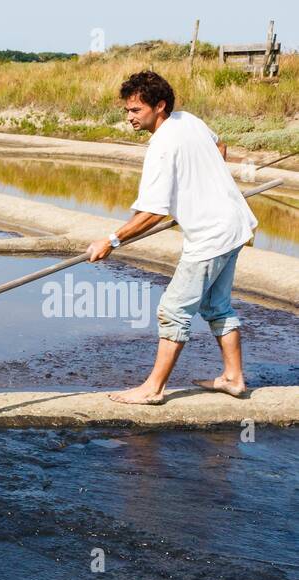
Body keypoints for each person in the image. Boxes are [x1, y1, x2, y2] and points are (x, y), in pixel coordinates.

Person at [86, 70, 258, 405]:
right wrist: (201, 185)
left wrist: (111, 240)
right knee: (216, 305)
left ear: (159, 106)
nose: (129, 117)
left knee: (173, 310)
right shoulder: (188, 120)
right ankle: (233, 378)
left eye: (135, 110)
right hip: (235, 225)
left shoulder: (162, 146)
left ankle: (153, 389)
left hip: (211, 236)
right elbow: (219, 146)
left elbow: (152, 212)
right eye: (127, 111)